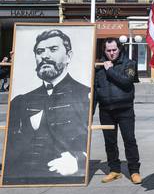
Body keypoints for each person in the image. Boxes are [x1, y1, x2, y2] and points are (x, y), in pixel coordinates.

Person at [3, 29, 91, 185]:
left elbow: (87, 135)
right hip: (21, 179)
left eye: (53, 49)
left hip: (66, 179)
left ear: (68, 56)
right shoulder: (20, 101)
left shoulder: (85, 95)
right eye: (40, 51)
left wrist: (78, 160)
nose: (45, 55)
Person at [94, 38, 141, 184]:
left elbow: (126, 82)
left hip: (124, 109)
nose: (112, 53)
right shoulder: (98, 66)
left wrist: (110, 70)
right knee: (110, 142)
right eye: (108, 50)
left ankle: (134, 171)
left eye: (114, 50)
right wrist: (90, 112)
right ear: (104, 50)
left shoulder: (129, 63)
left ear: (119, 48)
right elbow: (95, 89)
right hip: (106, 109)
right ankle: (114, 170)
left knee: (129, 140)